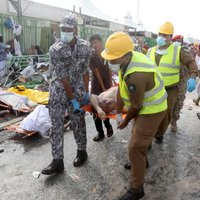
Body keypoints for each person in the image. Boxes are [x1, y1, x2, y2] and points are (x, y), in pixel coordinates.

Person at [101, 32, 168, 200]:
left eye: (112, 59)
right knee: (137, 138)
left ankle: (137, 189)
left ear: (124, 57)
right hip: (145, 106)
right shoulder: (128, 60)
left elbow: (136, 106)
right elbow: (120, 88)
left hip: (153, 109)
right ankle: (141, 162)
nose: (109, 62)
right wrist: (117, 112)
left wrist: (125, 121)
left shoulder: (137, 74)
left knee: (135, 146)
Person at [42, 13, 91, 175]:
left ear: (75, 29)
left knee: (78, 122)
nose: (65, 31)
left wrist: (84, 94)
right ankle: (57, 161)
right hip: (58, 90)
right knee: (56, 125)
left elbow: (85, 71)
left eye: (68, 29)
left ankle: (82, 151)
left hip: (77, 90)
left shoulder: (85, 47)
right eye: (63, 28)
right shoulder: (54, 49)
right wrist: (72, 99)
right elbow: (62, 77)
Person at [147, 22, 198, 144]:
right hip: (152, 89)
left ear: (171, 37)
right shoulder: (149, 51)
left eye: (166, 35)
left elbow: (191, 62)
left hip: (170, 89)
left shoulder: (178, 50)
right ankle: (148, 137)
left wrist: (193, 76)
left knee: (166, 114)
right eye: (160, 34)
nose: (162, 37)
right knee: (149, 113)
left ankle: (159, 134)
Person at [89, 34, 113, 141]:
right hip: (97, 86)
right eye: (92, 43)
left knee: (106, 106)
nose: (94, 45)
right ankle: (100, 133)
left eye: (95, 42)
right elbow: (96, 73)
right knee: (95, 110)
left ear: (101, 42)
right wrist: (103, 88)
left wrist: (110, 85)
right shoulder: (92, 57)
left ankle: (108, 127)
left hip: (107, 84)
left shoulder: (107, 53)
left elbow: (110, 69)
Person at [170, 35, 189, 132]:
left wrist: (193, 77)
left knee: (179, 102)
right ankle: (163, 122)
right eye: (176, 40)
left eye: (179, 41)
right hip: (170, 81)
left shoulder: (184, 52)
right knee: (167, 102)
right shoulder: (168, 52)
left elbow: (190, 63)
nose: (178, 42)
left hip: (181, 81)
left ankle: (174, 121)